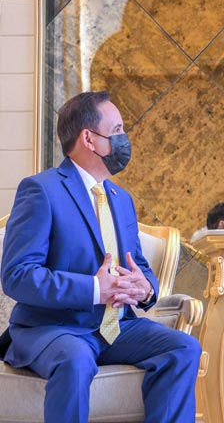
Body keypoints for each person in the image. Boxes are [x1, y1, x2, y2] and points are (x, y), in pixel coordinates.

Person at [0, 91, 201, 423]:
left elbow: (138, 265)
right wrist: (95, 289)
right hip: (54, 329)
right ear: (89, 138)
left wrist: (145, 288)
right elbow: (17, 275)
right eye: (117, 130)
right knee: (75, 359)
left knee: (183, 347)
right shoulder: (41, 190)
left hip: (118, 328)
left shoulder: (122, 199)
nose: (124, 138)